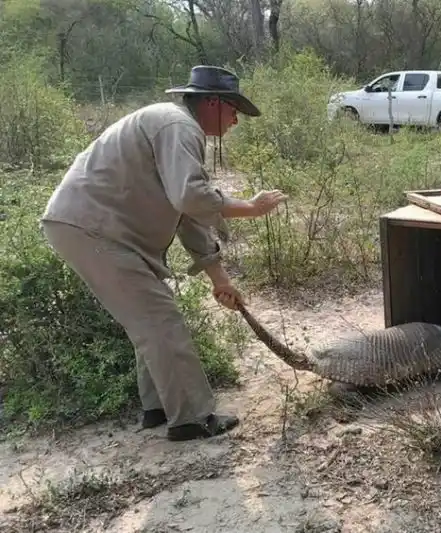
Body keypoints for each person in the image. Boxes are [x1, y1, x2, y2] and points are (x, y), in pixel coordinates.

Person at [39, 65, 286, 441]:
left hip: (94, 229)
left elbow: (187, 213)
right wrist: (250, 207)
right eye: (234, 108)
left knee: (150, 321)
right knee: (160, 320)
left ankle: (158, 408)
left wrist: (220, 279)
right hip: (93, 228)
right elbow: (191, 198)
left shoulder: (176, 128)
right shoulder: (179, 126)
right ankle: (191, 419)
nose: (236, 119)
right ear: (213, 102)